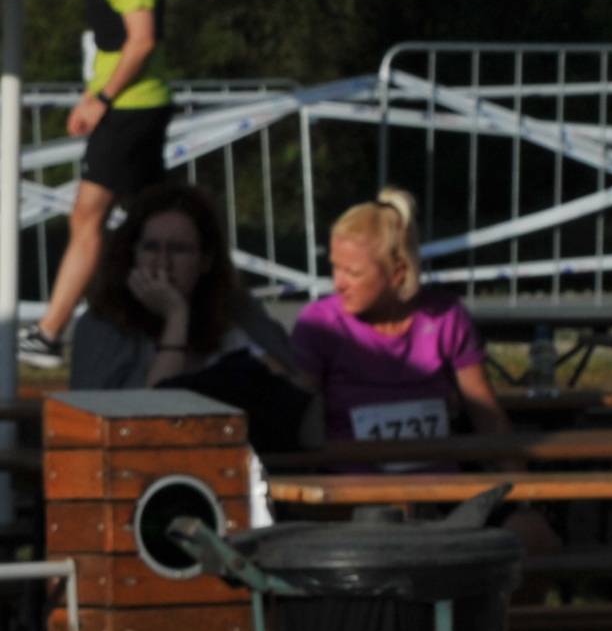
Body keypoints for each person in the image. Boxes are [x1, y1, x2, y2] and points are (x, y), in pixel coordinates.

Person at [62, 177, 307, 445]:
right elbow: (146, 425)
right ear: (132, 254)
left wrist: (231, 334)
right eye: (150, 247)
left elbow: (291, 398)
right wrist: (176, 317)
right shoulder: (102, 325)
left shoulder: (237, 309)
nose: (162, 264)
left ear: (205, 260)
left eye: (178, 249)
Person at [33, 0, 170, 357]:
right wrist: (92, 97)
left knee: (88, 217)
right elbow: (116, 48)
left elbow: (141, 41)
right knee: (153, 220)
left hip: (131, 108)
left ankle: (49, 332)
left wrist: (103, 99)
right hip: (124, 106)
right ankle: (139, 315)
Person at [287, 194, 512, 444]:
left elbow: (487, 415)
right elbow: (294, 419)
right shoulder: (319, 324)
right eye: (335, 267)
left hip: (436, 469)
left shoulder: (447, 316)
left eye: (352, 272)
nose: (338, 283)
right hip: (347, 470)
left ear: (397, 272)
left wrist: (516, 469)